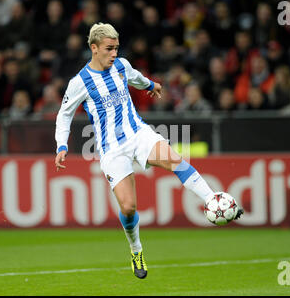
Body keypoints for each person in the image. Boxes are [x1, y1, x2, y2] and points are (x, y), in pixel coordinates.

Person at [54, 23, 242, 279]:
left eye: (116, 48)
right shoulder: (80, 83)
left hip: (138, 134)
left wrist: (151, 84)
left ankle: (213, 199)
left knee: (175, 160)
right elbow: (64, 116)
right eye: (109, 49)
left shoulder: (120, 66)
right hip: (111, 149)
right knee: (129, 207)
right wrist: (62, 146)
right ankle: (136, 249)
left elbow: (136, 77)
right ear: (94, 48)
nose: (114, 54)